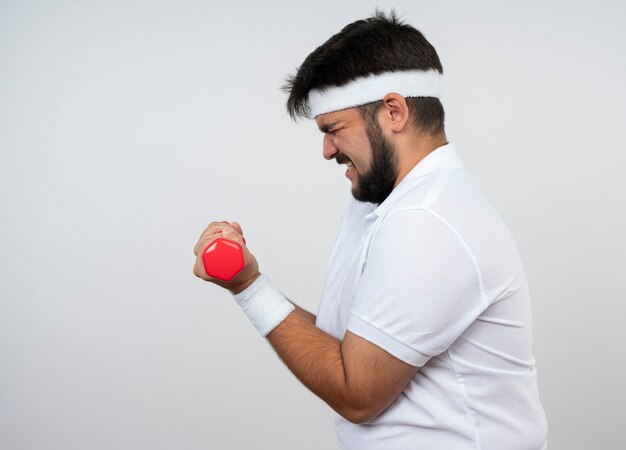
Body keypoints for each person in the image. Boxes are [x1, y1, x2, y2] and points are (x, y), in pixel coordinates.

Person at [193, 10, 548, 450]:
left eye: (333, 129)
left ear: (393, 112)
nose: (326, 151)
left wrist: (247, 286)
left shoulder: (426, 221)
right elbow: (345, 347)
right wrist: (248, 279)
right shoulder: (384, 202)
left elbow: (357, 394)